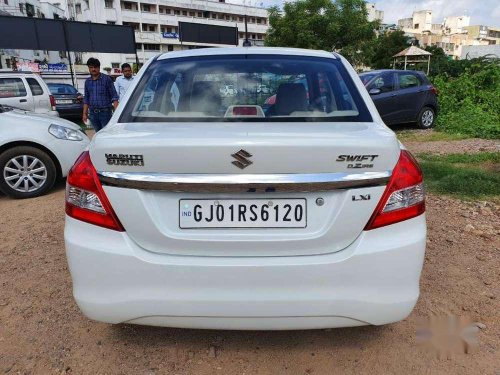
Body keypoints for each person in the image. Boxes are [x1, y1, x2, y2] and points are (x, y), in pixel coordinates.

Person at [82, 58, 119, 132]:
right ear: (89, 68)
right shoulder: (87, 82)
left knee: (106, 134)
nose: (93, 69)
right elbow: (86, 99)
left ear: (99, 67)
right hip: (93, 113)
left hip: (105, 113)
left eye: (95, 67)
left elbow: (114, 96)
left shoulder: (107, 79)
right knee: (97, 133)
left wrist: (117, 113)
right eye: (91, 67)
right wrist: (84, 113)